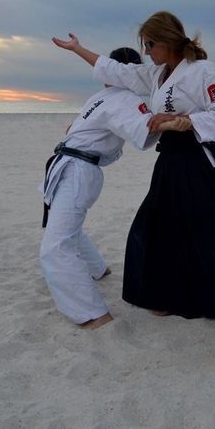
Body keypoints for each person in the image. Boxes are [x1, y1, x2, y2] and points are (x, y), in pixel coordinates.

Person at [52, 12, 215, 352]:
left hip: (200, 163)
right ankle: (167, 298)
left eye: (149, 45)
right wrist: (78, 49)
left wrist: (181, 121)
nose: (146, 52)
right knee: (153, 231)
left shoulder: (201, 72)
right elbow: (117, 71)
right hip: (172, 163)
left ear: (165, 41)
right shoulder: (157, 73)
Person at [40, 46, 188, 330]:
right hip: (67, 166)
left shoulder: (125, 100)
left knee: (54, 247)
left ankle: (93, 314)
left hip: (79, 171)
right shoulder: (102, 97)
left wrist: (174, 121)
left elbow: (143, 132)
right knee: (65, 228)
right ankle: (97, 268)